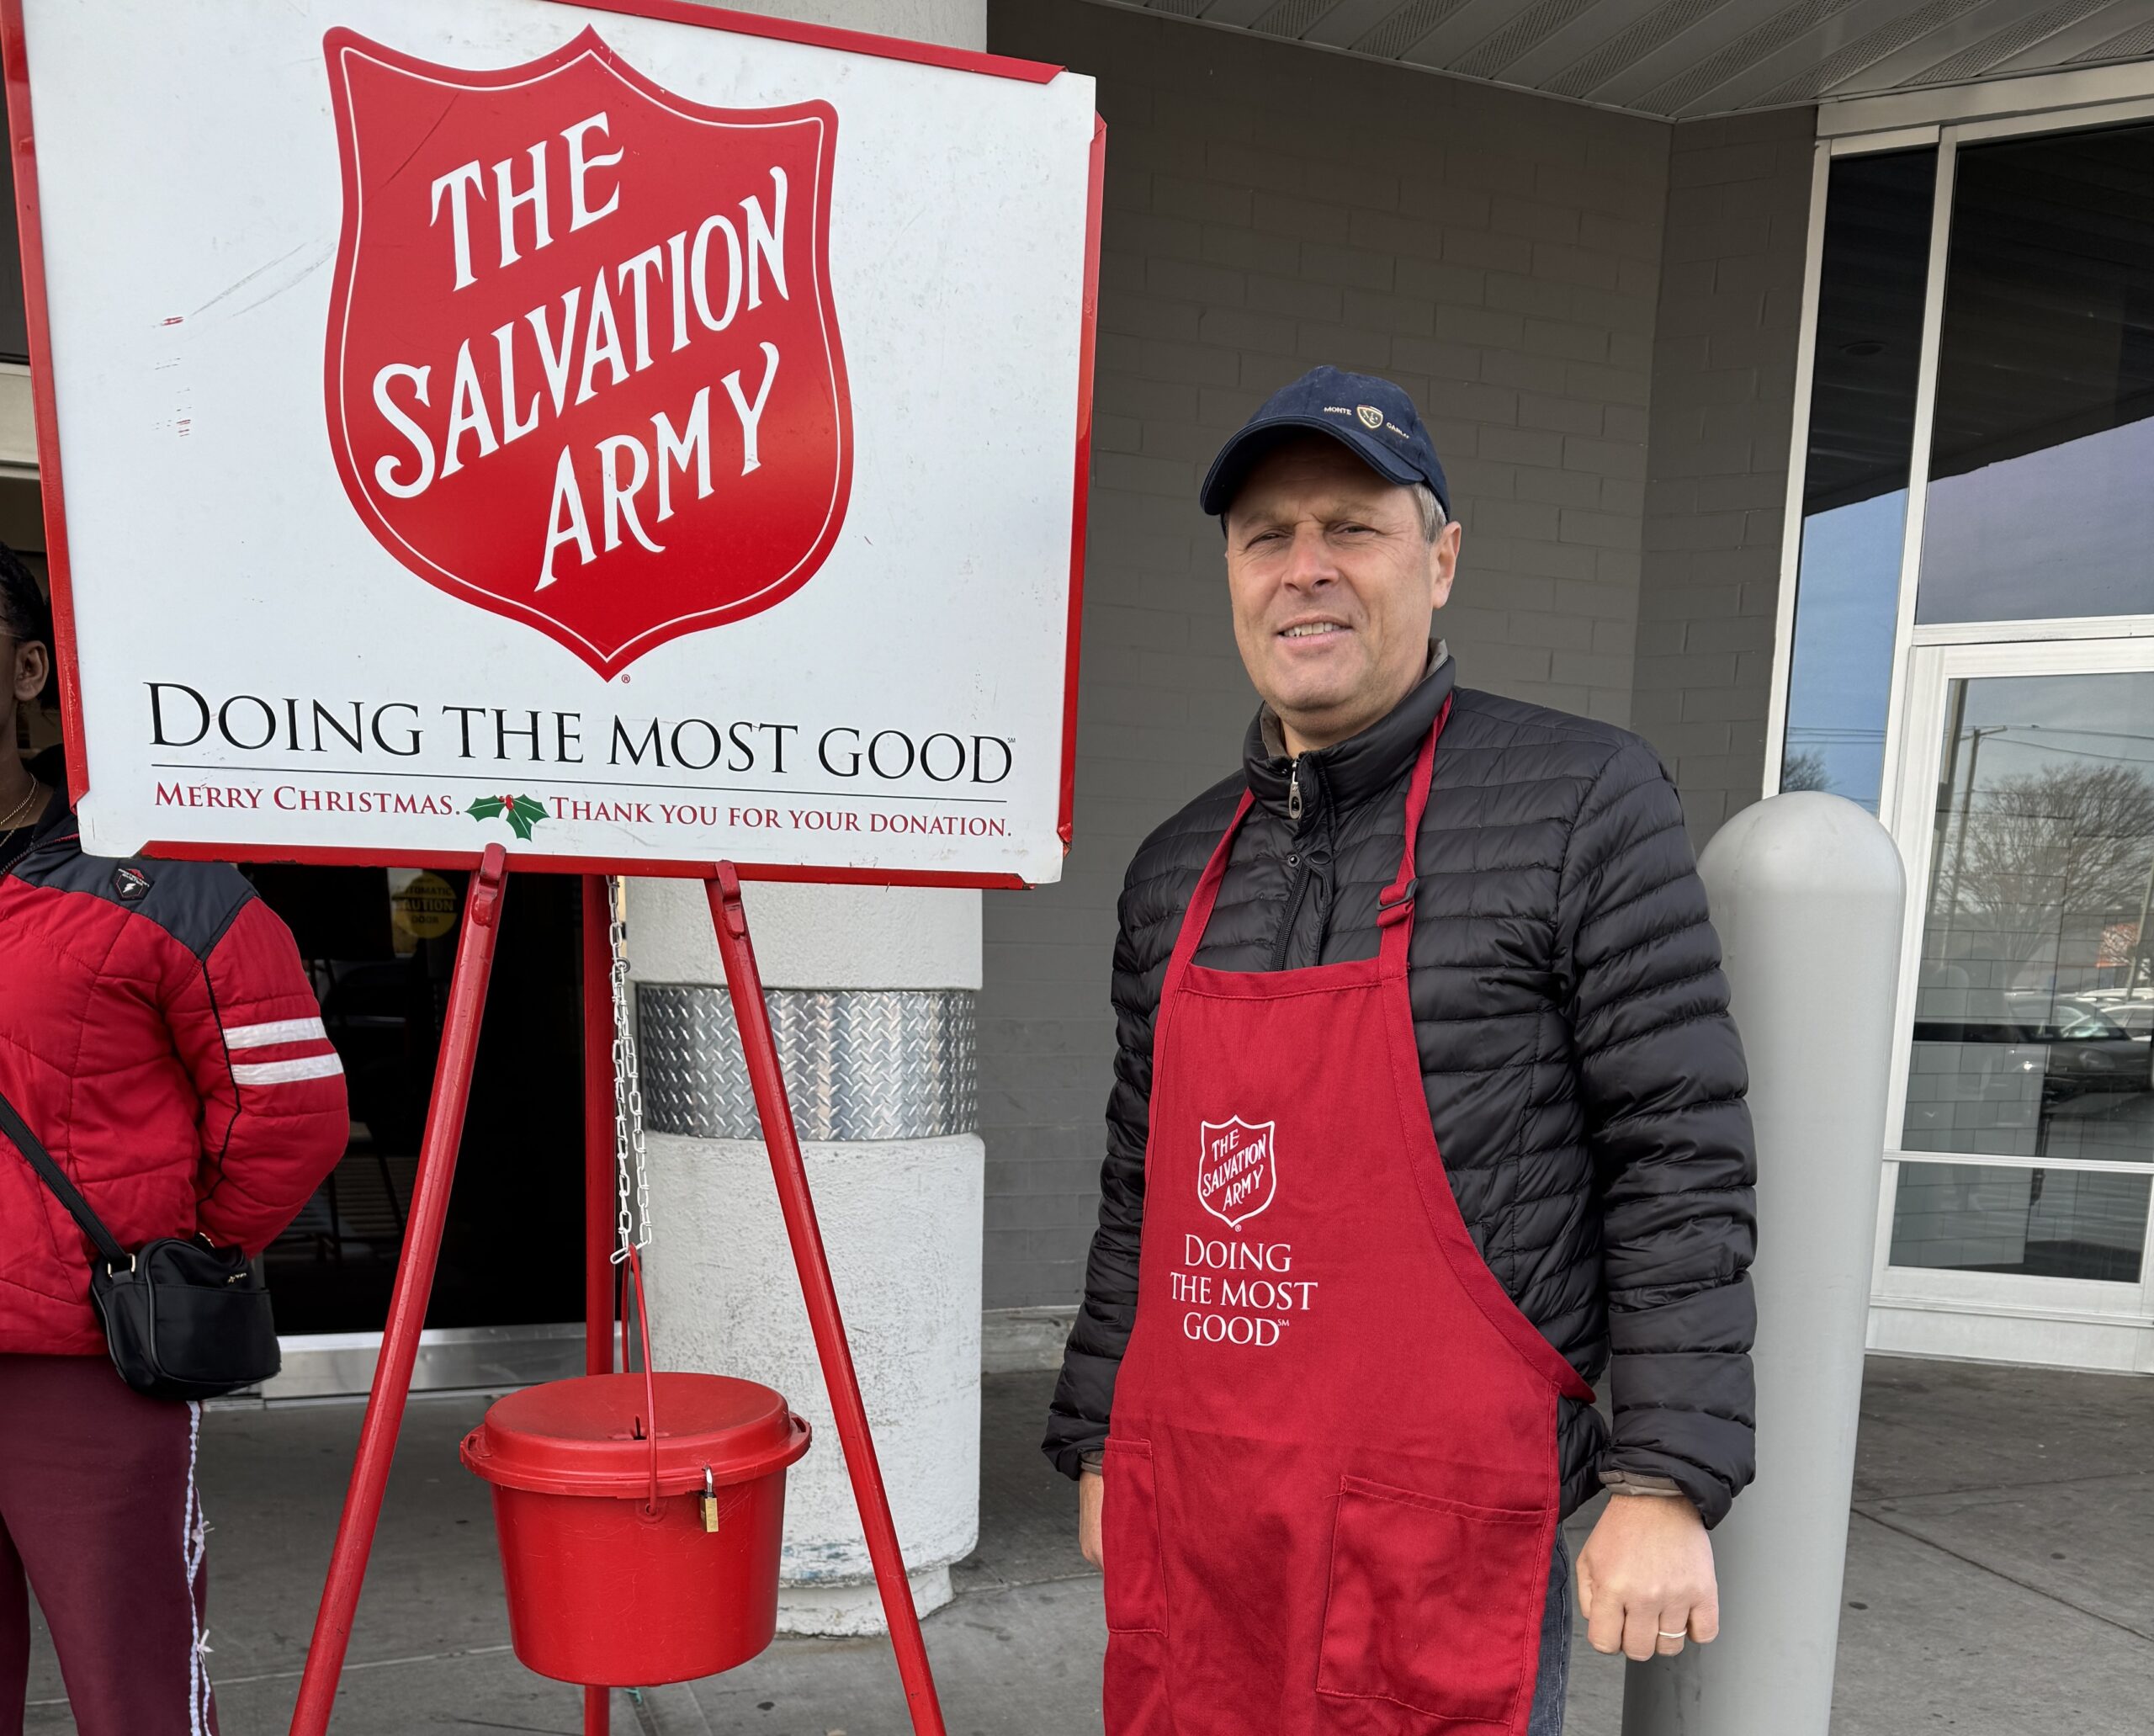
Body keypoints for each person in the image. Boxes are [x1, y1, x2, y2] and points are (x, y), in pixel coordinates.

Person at [1044, 369, 1757, 1734]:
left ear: (1440, 561)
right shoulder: (1176, 864)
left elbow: (1678, 1155)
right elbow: (1145, 1181)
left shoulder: (1581, 800)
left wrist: (1666, 1482)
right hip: (1205, 1512)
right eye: (1267, 537)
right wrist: (1098, 1435)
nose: (1305, 570)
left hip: (1443, 1529)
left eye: (1352, 529)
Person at [0, 544, 349, 1736]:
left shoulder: (156, 874)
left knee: (132, 1687)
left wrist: (177, 1253)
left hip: (83, 1363)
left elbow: (291, 1106)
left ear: (30, 670)